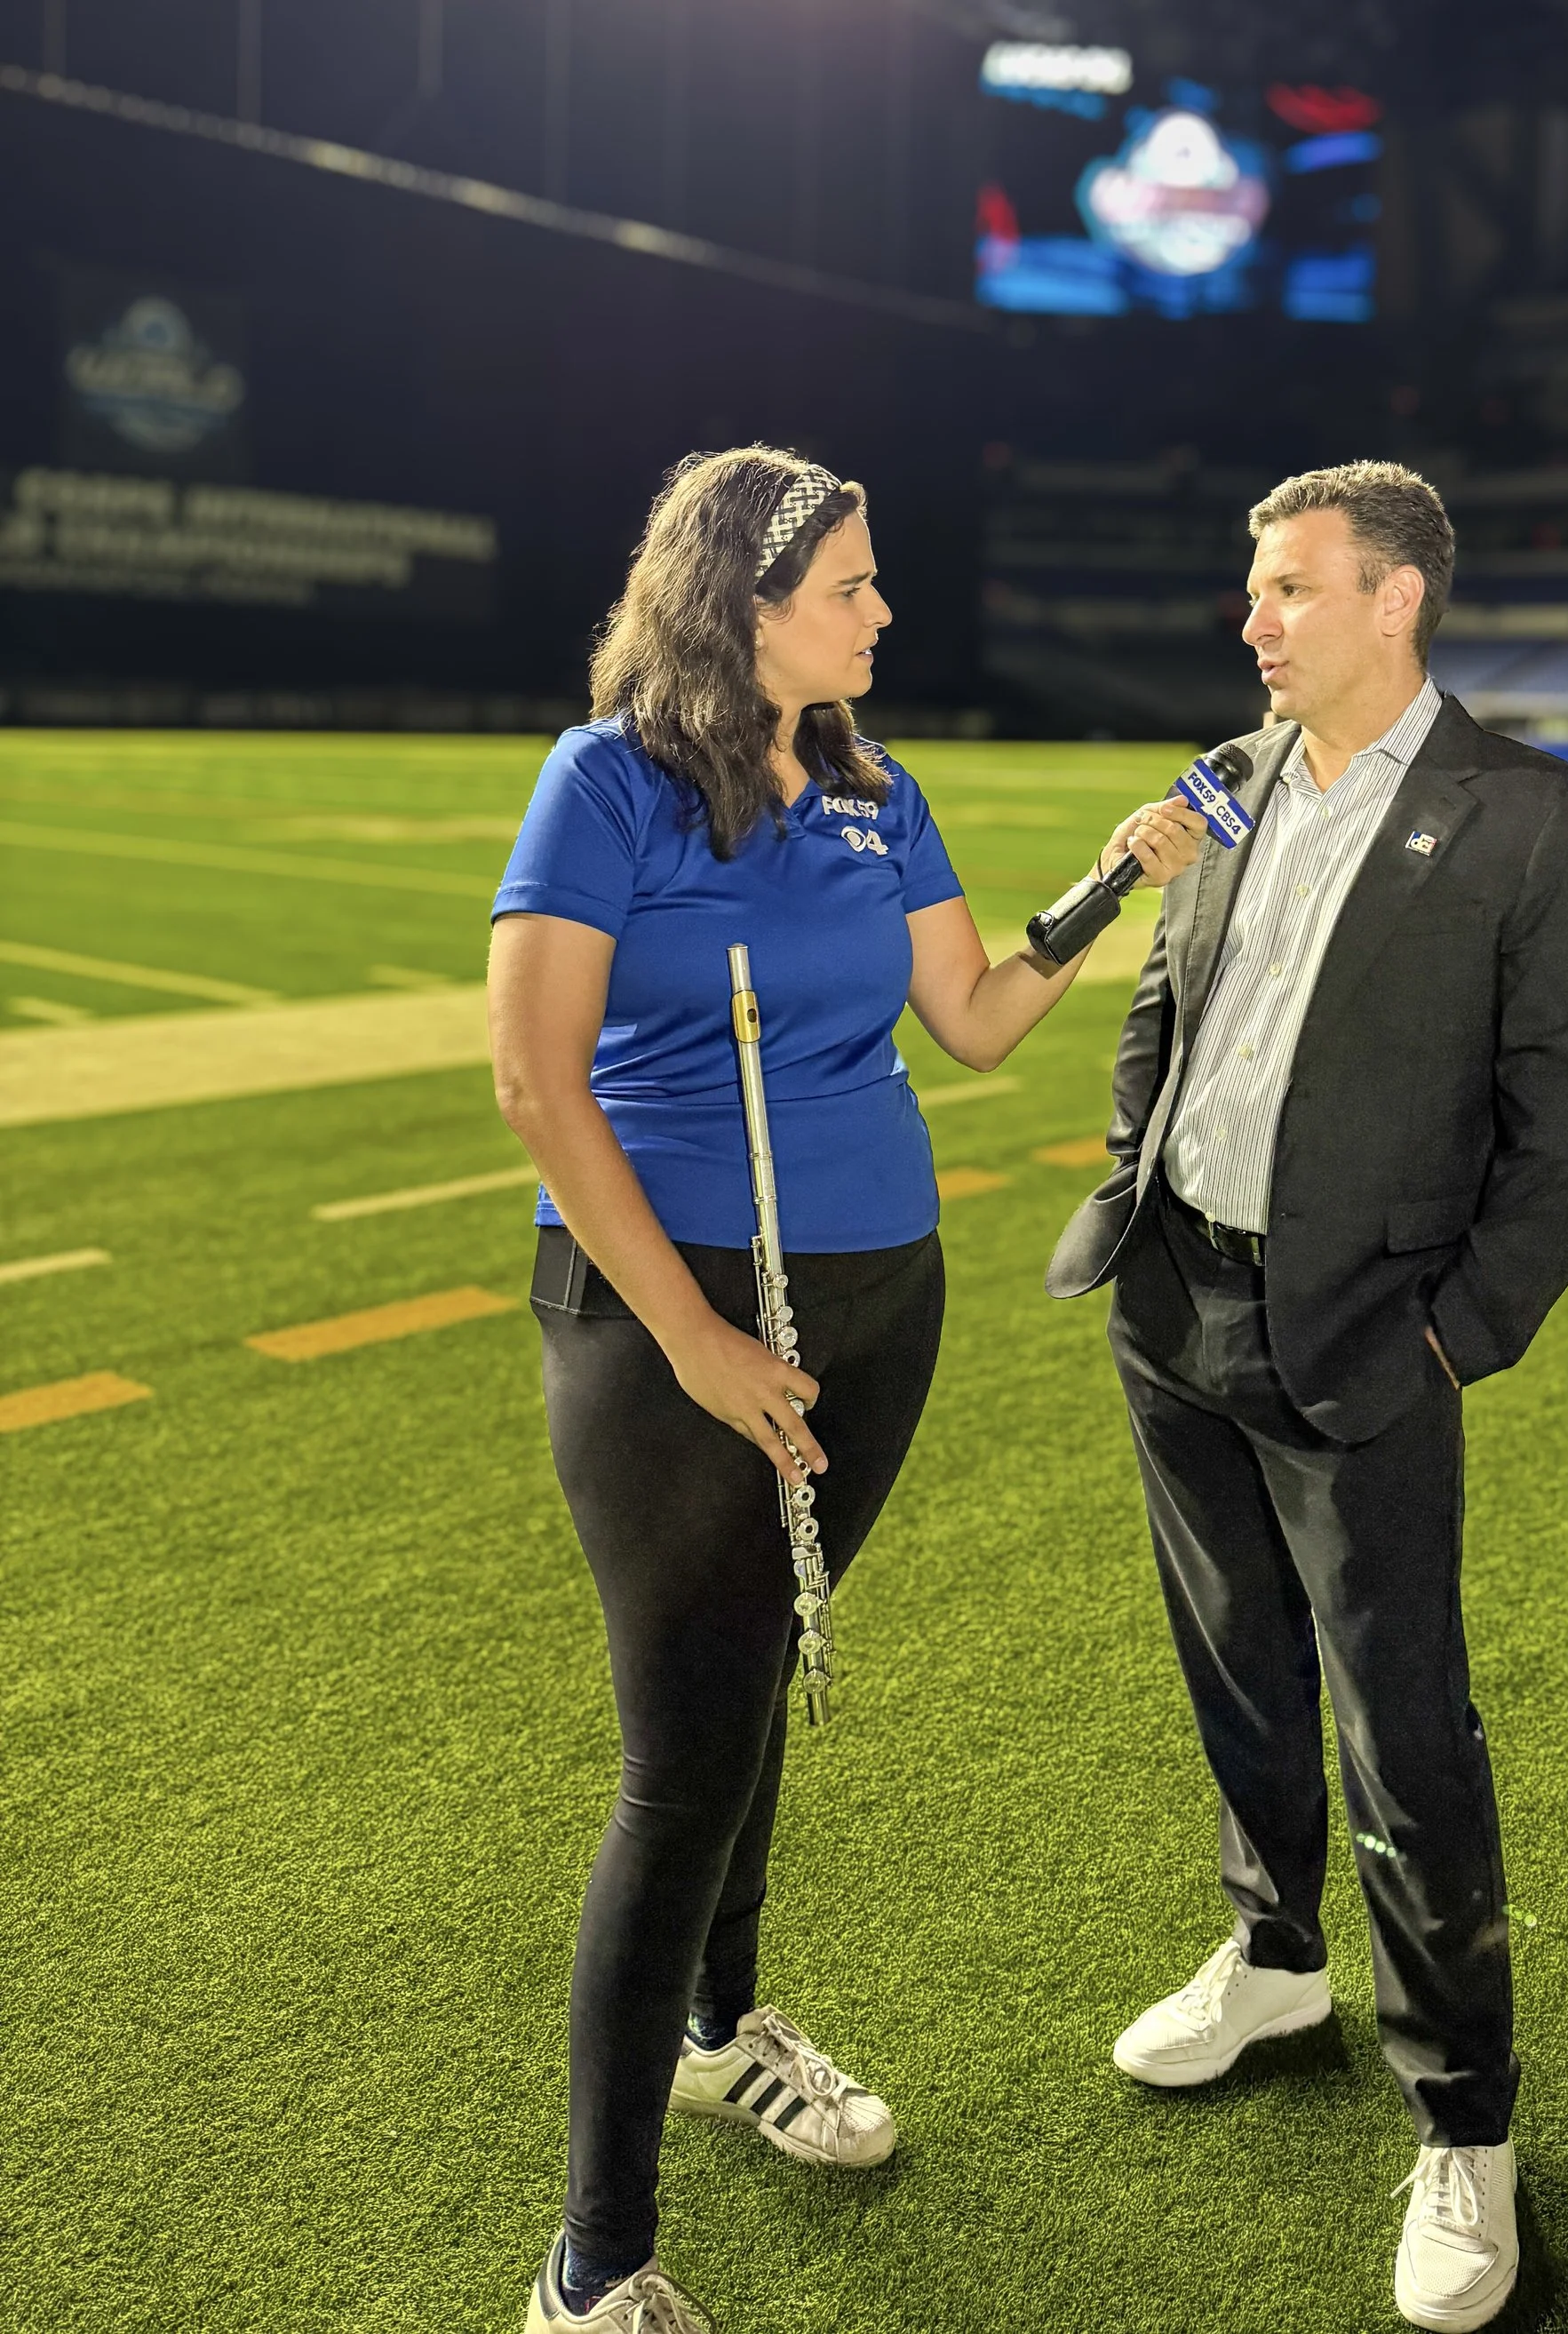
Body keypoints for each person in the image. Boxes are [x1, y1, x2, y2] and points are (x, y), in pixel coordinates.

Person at [488, 444, 1203, 2334]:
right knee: (684, 1765)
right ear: (740, 600)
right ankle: (592, 2264)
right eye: (852, 587)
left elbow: (966, 1021)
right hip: (675, 1319)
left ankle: (727, 2032)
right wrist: (700, 1343)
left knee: (752, 1680)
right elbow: (538, 1084)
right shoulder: (609, 781)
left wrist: (1104, 890)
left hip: (882, 1301)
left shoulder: (878, 789)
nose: (884, 612)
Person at [1047, 459, 1568, 2332]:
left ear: (1394, 598)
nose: (1254, 616)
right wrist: (1138, 1165)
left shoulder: (1531, 814)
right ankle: (1272, 1950)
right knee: (1231, 1657)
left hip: (1369, 1338)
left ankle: (1463, 2112)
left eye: (1289, 585)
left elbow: (1565, 1131)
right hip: (1172, 1300)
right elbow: (1168, 995)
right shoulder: (1228, 776)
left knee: (1403, 1722)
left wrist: (1456, 1332)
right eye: (1253, 586)